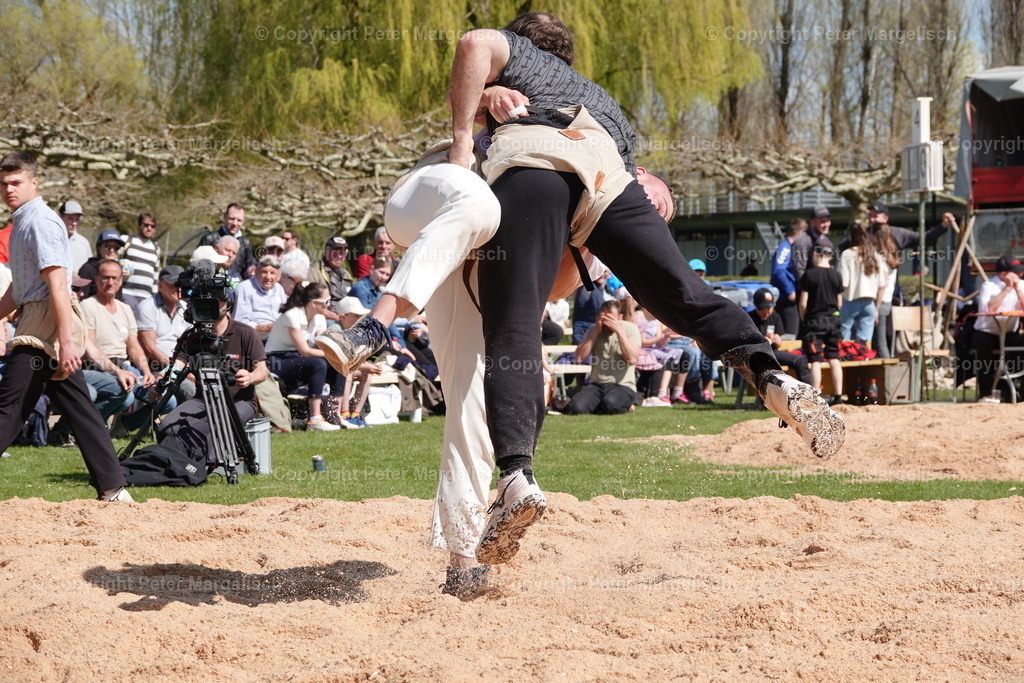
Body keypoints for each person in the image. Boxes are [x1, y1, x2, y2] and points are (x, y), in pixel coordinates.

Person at [446, 15, 843, 563]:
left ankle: (516, 476)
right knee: (686, 294)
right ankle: (772, 376)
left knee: (513, 327)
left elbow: (473, 43)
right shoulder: (605, 103)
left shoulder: (518, 55)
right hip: (610, 182)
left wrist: (464, 136)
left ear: (524, 47)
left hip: (534, 165)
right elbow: (612, 205)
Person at [0, 151, 130, 501]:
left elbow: (58, 285)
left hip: (48, 323)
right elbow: (20, 289)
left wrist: (67, 343)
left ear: (34, 182)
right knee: (78, 404)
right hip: (39, 315)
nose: (9, 189)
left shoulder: (40, 221)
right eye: (3, 184)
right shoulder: (21, 223)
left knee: (9, 405)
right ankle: (114, 486)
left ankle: (114, 487)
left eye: (16, 183)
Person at [157, 287, 269, 458]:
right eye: (205, 300)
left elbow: (262, 370)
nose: (210, 305)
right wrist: (161, 381)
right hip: (202, 399)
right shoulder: (193, 335)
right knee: (167, 427)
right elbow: (177, 365)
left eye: (216, 300)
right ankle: (179, 461)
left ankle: (206, 460)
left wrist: (250, 377)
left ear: (227, 303)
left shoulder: (245, 332)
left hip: (239, 400)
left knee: (219, 424)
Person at [264, 282, 343, 431]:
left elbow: (323, 344)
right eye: (326, 302)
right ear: (314, 303)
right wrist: (334, 355)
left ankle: (335, 414)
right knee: (319, 364)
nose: (329, 305)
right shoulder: (292, 315)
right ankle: (315, 418)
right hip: (276, 360)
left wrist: (338, 356)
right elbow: (305, 350)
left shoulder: (319, 317)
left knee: (338, 365)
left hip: (295, 358)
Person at [564, 299, 640, 414]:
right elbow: (579, 358)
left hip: (623, 385)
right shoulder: (593, 329)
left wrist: (619, 332)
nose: (606, 322)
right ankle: (601, 403)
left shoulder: (630, 328)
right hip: (597, 384)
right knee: (576, 408)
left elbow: (632, 359)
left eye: (610, 318)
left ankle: (627, 404)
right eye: (604, 318)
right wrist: (595, 332)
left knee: (610, 405)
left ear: (620, 317)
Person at [136, 265, 195, 402]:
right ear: (160, 285)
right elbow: (150, 349)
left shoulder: (185, 309)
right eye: (173, 285)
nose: (178, 289)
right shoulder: (147, 306)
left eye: (181, 285)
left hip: (183, 366)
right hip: (158, 368)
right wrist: (178, 370)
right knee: (192, 392)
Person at [972, 255, 1024, 402]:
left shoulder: (1021, 285)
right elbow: (988, 309)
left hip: (1009, 332)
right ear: (1003, 274)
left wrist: (1018, 290)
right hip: (987, 332)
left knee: (1019, 349)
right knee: (984, 350)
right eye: (1016, 272)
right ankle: (985, 393)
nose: (1019, 275)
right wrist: (1007, 289)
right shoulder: (989, 286)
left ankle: (1016, 391)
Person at [799, 246, 844, 405]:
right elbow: (839, 302)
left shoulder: (809, 274)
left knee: (816, 360)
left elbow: (803, 303)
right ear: (830, 256)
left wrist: (804, 319)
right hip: (833, 321)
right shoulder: (836, 275)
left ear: (816, 255)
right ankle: (838, 396)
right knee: (834, 358)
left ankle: (816, 395)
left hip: (815, 321)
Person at [748, 288, 811, 386]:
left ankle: (806, 392)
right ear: (756, 306)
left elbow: (778, 344)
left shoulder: (775, 317)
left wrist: (777, 341)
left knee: (801, 360)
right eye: (762, 309)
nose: (766, 312)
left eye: (768, 308)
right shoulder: (749, 318)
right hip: (757, 355)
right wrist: (764, 342)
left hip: (773, 353)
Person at [839, 221, 888, 344]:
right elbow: (882, 286)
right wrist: (876, 308)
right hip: (869, 303)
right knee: (865, 342)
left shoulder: (847, 254)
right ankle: (864, 359)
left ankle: (845, 360)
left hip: (850, 301)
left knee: (844, 337)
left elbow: (843, 283)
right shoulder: (875, 256)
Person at [233, 256, 287, 336]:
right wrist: (264, 328)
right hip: (255, 335)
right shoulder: (244, 288)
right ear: (256, 272)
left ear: (278, 276)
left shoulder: (279, 288)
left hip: (278, 334)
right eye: (264, 272)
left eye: (272, 273)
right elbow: (240, 323)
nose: (268, 277)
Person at [120, 212, 162, 313]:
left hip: (147, 298)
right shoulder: (127, 241)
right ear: (139, 225)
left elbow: (156, 276)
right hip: (127, 293)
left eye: (152, 226)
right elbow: (114, 261)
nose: (149, 228)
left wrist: (155, 297)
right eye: (146, 225)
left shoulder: (156, 248)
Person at [771, 218, 807, 336]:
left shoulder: (792, 247)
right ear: (800, 232)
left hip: (791, 298)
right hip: (786, 300)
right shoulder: (785, 247)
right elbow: (778, 270)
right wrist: (790, 291)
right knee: (790, 334)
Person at [199, 203, 255, 278]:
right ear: (225, 217)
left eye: (239, 220)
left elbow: (249, 270)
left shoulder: (245, 243)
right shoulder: (210, 239)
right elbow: (198, 264)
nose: (235, 223)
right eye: (232, 219)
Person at [308, 236, 355, 318]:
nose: (340, 256)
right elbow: (309, 302)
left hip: (345, 318)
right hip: (324, 318)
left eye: (343, 253)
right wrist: (334, 317)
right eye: (336, 252)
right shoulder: (314, 272)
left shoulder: (346, 275)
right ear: (327, 251)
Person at [78, 230, 124, 299]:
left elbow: (118, 298)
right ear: (99, 248)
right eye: (107, 246)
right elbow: (81, 296)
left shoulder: (118, 270)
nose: (112, 250)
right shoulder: (88, 268)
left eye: (116, 247)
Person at [59, 200, 91, 273]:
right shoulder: (51, 240)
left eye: (77, 219)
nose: (74, 223)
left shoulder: (84, 242)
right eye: (70, 218)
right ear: (60, 217)